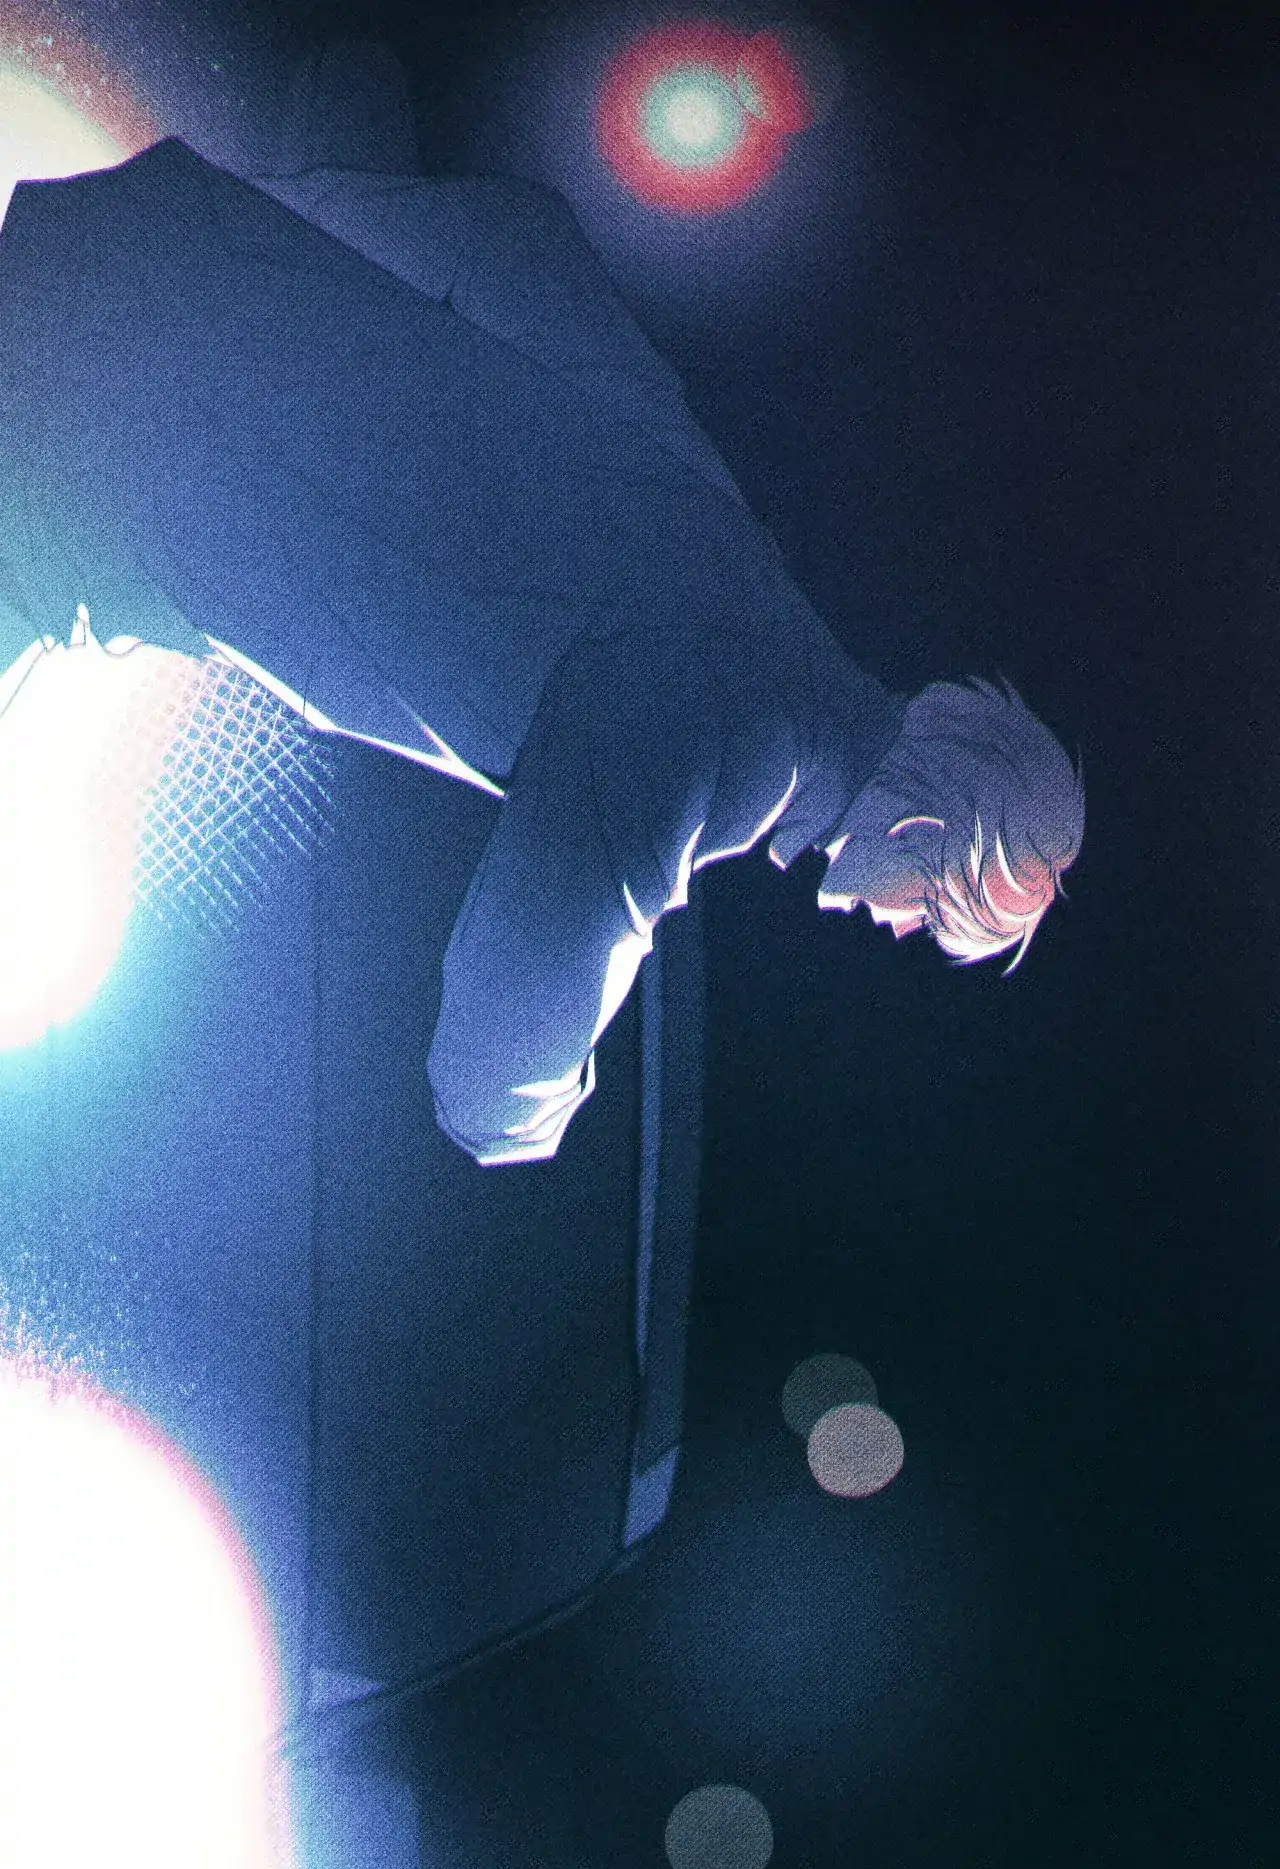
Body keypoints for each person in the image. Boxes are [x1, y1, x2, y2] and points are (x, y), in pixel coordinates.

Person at [0, 136, 1083, 1161]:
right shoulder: (747, 735)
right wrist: (527, 1124)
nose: (892, 928)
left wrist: (252, 239)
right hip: (73, 479)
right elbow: (509, 1035)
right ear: (921, 829)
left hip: (123, 266)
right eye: (927, 913)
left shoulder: (725, 547)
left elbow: (516, 241)